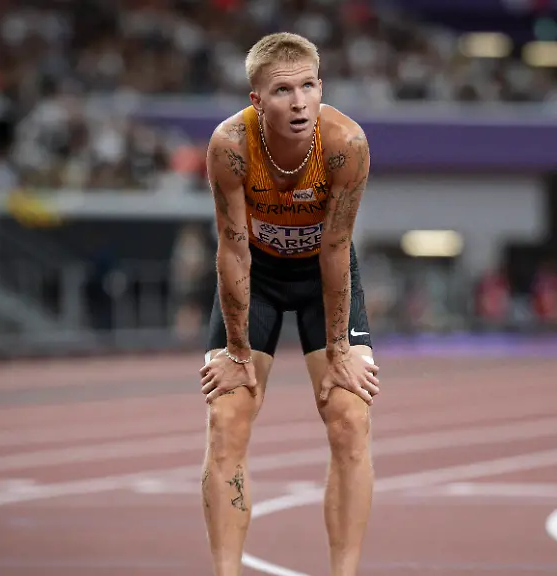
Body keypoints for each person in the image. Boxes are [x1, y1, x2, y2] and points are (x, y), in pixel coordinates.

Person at [197, 32, 381, 576]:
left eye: (308, 86)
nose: (300, 103)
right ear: (257, 100)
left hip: (323, 274)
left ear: (321, 87)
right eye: (283, 91)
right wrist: (236, 351)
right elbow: (233, 250)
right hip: (256, 276)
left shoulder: (346, 144)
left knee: (349, 417)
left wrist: (341, 348)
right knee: (226, 418)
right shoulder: (230, 146)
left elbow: (336, 248)